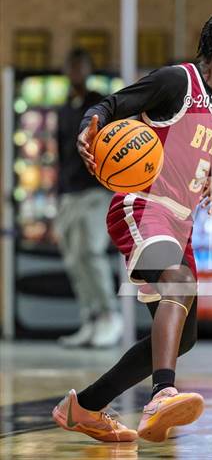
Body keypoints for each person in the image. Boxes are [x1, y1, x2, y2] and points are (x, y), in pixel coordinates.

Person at [52, 9, 212, 442]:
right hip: (142, 206)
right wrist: (89, 127)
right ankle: (162, 395)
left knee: (183, 338)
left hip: (181, 224)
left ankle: (84, 408)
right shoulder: (176, 82)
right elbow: (110, 105)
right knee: (179, 283)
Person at [54, 48, 122, 348]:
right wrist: (57, 195)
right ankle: (91, 318)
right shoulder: (64, 108)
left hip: (96, 192)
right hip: (69, 195)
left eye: (81, 66)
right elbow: (60, 155)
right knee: (73, 259)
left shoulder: (100, 105)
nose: (76, 72)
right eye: (72, 66)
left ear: (89, 70)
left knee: (91, 252)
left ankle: (110, 315)